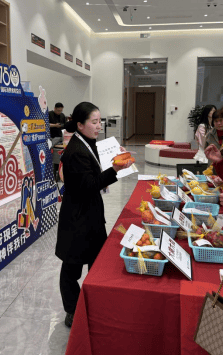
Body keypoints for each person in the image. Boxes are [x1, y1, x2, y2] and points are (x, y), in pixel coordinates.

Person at [55, 102, 133, 328]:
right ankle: (72, 310)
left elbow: (96, 166)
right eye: (94, 122)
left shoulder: (86, 142)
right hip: (78, 218)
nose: (99, 126)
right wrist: (115, 170)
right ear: (80, 125)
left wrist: (116, 158)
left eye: (100, 121)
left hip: (89, 214)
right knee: (71, 268)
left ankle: (94, 303)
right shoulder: (76, 152)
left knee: (96, 262)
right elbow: (89, 185)